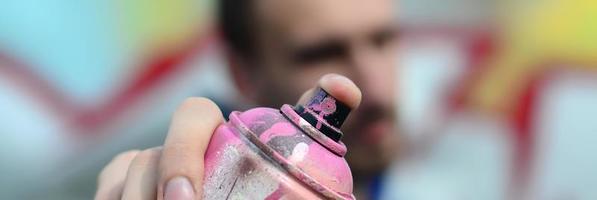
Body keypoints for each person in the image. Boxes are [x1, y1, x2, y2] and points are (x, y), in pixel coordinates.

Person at [96, 0, 400, 199]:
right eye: (321, 54)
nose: (373, 85)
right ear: (241, 73)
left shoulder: (439, 173)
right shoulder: (209, 169)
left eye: (383, 40)